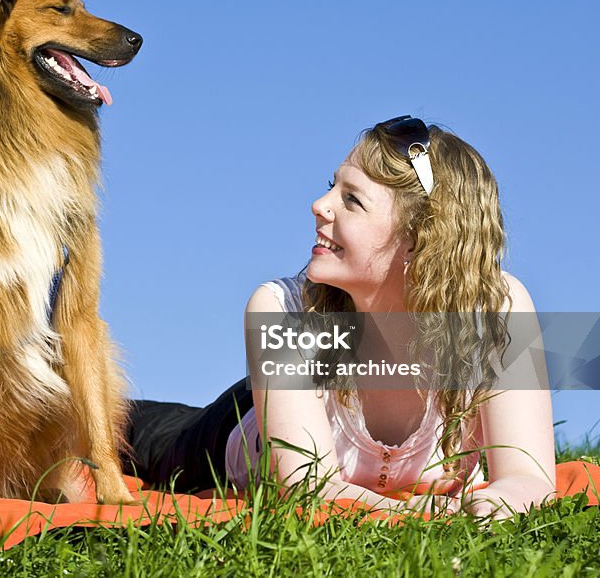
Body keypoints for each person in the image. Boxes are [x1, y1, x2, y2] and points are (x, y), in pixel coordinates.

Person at [122, 116, 556, 518]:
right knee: (123, 425)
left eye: (352, 200)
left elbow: (529, 476)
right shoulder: (280, 309)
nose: (319, 204)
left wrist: (501, 503)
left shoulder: (496, 310)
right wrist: (428, 516)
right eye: (333, 187)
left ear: (417, 242)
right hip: (223, 431)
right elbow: (307, 486)